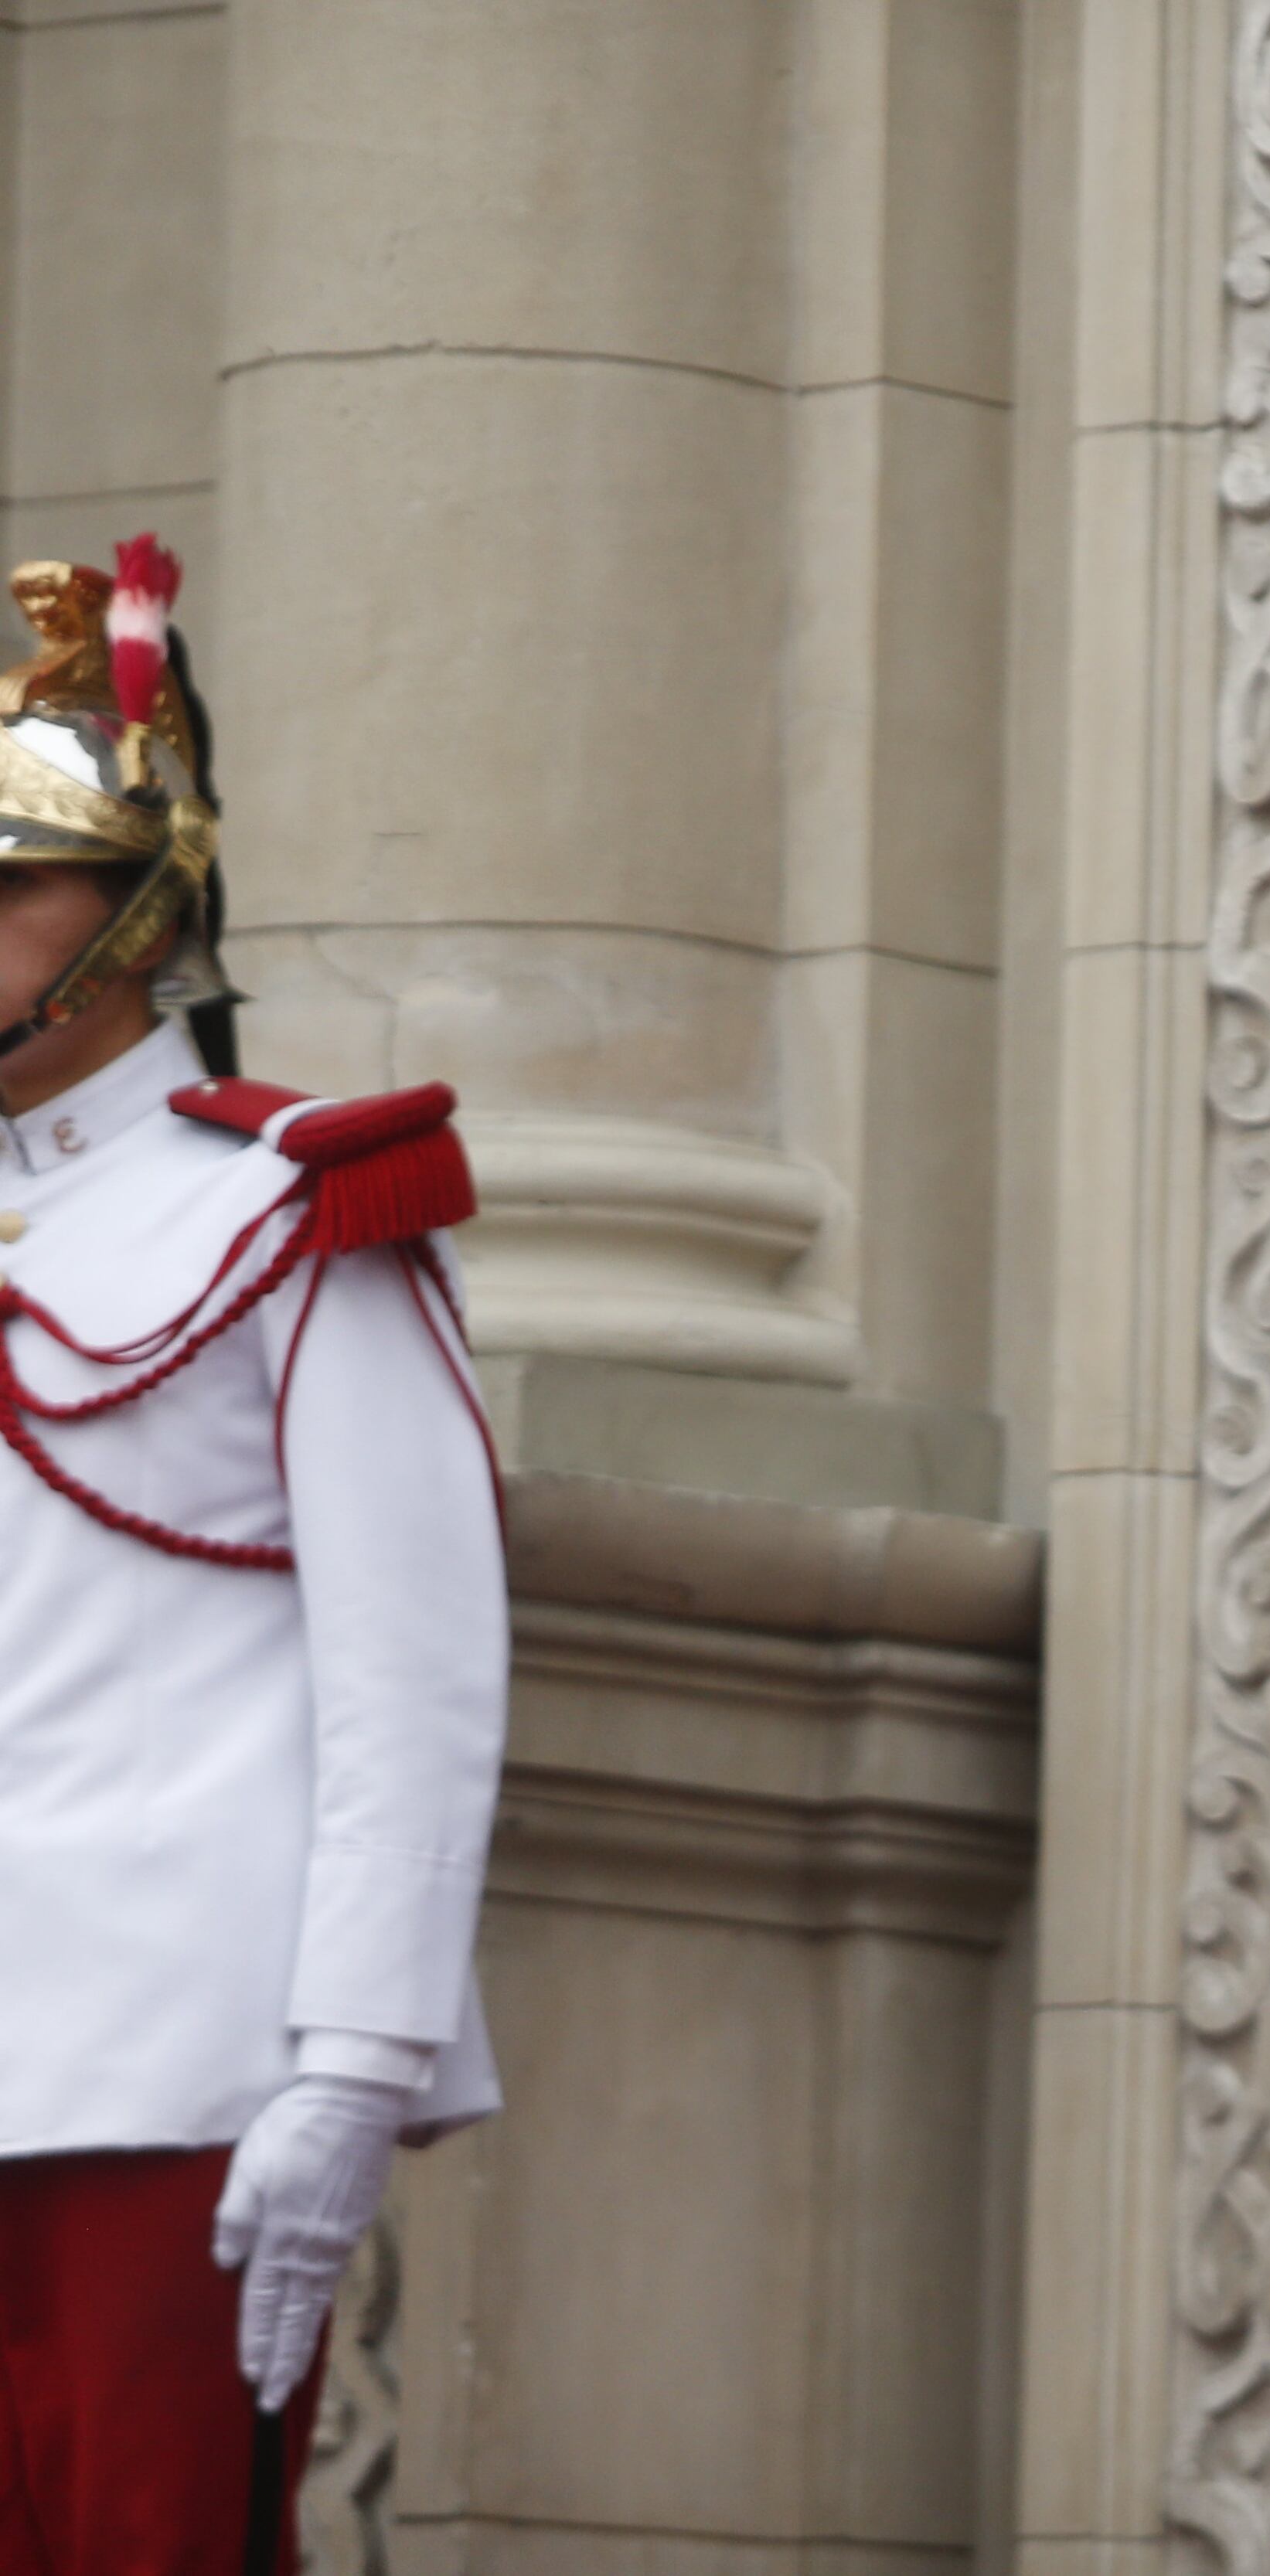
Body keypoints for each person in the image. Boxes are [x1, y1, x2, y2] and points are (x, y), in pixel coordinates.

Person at [0, 542, 510, 2573]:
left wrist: (353, 2066)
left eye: (9, 882)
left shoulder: (297, 1205)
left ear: (138, 917)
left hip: (175, 2069)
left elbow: (419, 1667)